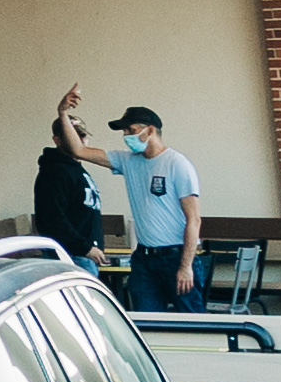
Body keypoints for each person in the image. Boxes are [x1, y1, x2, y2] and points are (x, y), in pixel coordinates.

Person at [66, 90, 205, 309]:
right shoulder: (127, 160)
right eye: (124, 131)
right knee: (146, 321)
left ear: (150, 130)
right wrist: (62, 113)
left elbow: (194, 219)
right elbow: (79, 150)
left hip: (176, 255)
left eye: (131, 130)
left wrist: (185, 266)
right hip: (144, 258)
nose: (126, 135)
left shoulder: (177, 164)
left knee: (190, 322)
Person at [29, 95, 108, 261]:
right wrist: (85, 248)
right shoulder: (55, 172)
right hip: (70, 256)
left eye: (82, 136)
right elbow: (52, 220)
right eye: (73, 136)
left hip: (84, 255)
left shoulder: (77, 170)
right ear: (57, 140)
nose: (80, 141)